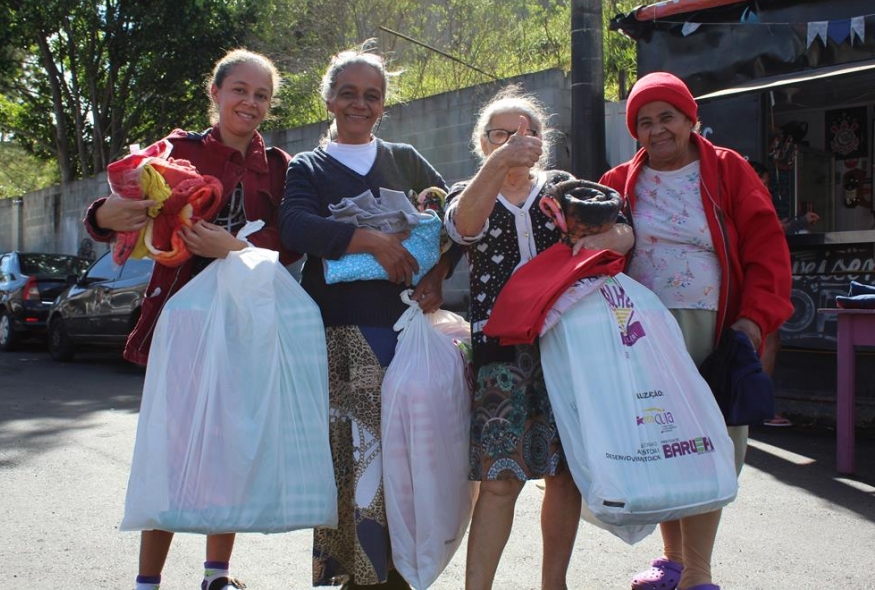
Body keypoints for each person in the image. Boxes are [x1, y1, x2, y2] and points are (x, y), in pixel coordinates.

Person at [84, 49, 298, 590]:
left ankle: (216, 575)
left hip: (244, 320)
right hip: (180, 320)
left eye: (261, 95)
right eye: (240, 90)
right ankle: (147, 580)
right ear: (216, 92)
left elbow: (289, 243)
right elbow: (117, 210)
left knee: (229, 445)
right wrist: (103, 216)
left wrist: (236, 246)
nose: (250, 102)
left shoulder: (277, 167)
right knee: (170, 447)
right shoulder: (174, 151)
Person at [600, 72, 793, 590]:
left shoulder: (727, 169)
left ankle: (699, 573)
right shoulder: (617, 181)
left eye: (668, 117)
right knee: (660, 440)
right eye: (645, 121)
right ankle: (672, 562)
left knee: (709, 440)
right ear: (634, 131)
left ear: (690, 120)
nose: (657, 129)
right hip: (641, 332)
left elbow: (767, 249)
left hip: (712, 325)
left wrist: (754, 322)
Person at [279, 44, 459, 589]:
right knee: (359, 459)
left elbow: (455, 217)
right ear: (330, 100)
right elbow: (295, 228)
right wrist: (369, 239)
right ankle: (362, 575)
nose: (360, 103)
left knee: (408, 457)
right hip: (344, 333)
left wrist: (437, 274)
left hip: (407, 331)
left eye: (372, 95)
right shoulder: (309, 167)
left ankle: (403, 570)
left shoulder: (404, 158)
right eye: (349, 93)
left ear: (384, 104)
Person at [443, 85, 634, 590]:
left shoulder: (565, 188)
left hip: (568, 347)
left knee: (564, 475)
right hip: (500, 352)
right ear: (482, 142)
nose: (513, 141)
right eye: (500, 134)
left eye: (525, 132)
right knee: (500, 478)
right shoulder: (466, 189)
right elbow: (465, 227)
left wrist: (599, 239)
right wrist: (500, 164)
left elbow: (625, 231)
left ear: (543, 141)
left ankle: (555, 584)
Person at [748, 160, 811, 428]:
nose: (765, 187)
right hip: (755, 284)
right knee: (767, 340)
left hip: (749, 283)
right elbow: (765, 232)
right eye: (762, 181)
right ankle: (758, 408)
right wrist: (799, 222)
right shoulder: (747, 196)